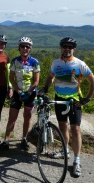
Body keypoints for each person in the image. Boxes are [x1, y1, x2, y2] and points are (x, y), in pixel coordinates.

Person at [39, 36, 94, 177]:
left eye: (70, 47)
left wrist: (87, 98)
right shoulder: (56, 63)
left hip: (74, 100)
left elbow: (92, 80)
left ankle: (77, 161)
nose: (67, 49)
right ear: (61, 48)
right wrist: (45, 88)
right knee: (62, 126)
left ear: (74, 49)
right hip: (59, 99)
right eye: (65, 46)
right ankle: (65, 151)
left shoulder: (79, 64)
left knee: (75, 129)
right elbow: (51, 76)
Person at [0, 37, 40, 151]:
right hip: (18, 93)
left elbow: (36, 81)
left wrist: (29, 92)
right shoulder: (14, 61)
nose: (25, 48)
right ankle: (6, 140)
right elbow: (11, 78)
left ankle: (24, 139)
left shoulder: (35, 62)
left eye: (27, 46)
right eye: (23, 46)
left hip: (30, 94)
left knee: (27, 117)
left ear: (30, 49)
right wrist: (18, 91)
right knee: (12, 117)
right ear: (19, 48)